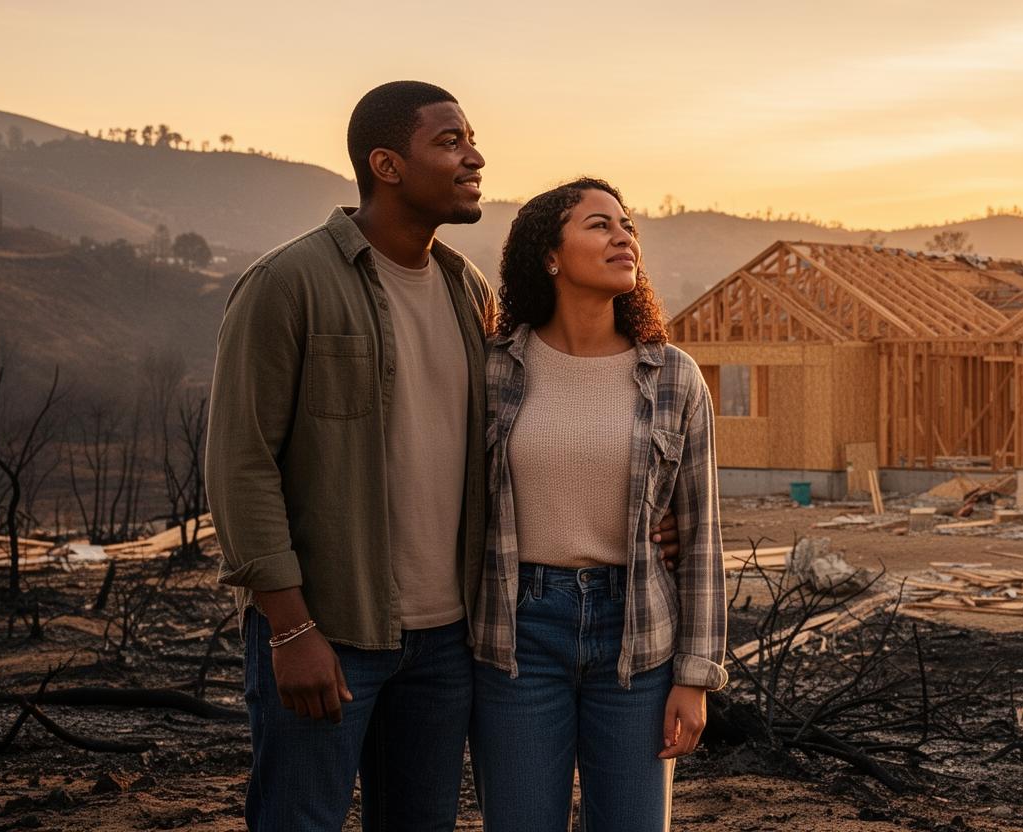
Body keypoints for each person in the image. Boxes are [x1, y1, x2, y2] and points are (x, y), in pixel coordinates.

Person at [206, 82, 682, 831]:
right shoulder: (288, 284)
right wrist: (291, 628)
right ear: (388, 165)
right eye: (451, 142)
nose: (475, 158)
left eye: (471, 140)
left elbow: (524, 446)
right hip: (330, 628)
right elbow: (240, 465)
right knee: (299, 820)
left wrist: (643, 522)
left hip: (449, 641)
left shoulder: (467, 291)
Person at [469, 177, 726, 832]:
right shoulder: (492, 371)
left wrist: (695, 675)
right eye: (598, 225)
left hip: (636, 633)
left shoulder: (674, 377)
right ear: (549, 256)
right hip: (518, 632)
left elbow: (700, 540)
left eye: (627, 225)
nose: (622, 237)